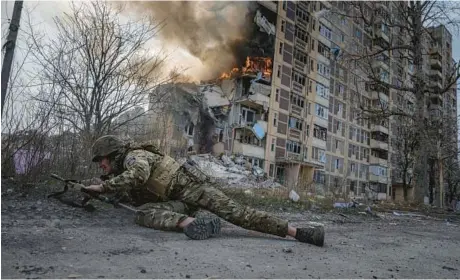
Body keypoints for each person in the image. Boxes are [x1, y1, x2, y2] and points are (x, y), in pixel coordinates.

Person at [82, 135, 325, 246]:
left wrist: (103, 187)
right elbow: (132, 192)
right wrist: (99, 191)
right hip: (179, 202)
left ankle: (300, 233)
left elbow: (139, 175)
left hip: (195, 190)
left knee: (241, 215)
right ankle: (193, 222)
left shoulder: (134, 157)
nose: (102, 165)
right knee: (143, 212)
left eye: (101, 160)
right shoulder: (121, 167)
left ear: (113, 154)